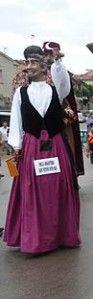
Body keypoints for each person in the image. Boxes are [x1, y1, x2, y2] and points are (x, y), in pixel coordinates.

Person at [3, 44, 81, 254]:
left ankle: (61, 235)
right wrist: (17, 146)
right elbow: (17, 119)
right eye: (27, 63)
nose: (27, 67)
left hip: (55, 144)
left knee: (58, 188)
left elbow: (62, 79)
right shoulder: (21, 92)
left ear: (43, 67)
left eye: (32, 63)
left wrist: (56, 60)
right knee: (33, 190)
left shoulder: (56, 89)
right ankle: (36, 239)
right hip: (32, 145)